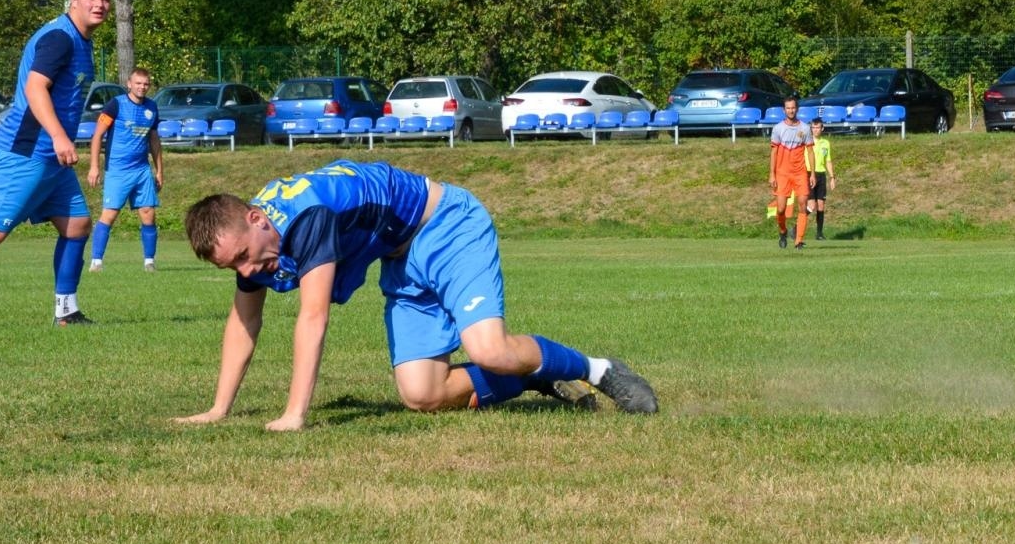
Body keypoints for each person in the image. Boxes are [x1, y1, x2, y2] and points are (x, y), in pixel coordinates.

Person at [176, 160, 658, 431]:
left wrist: (293, 415)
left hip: (446, 225)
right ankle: (530, 375)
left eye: (244, 256)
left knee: (489, 349)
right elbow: (243, 321)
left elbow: (313, 317)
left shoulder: (305, 218)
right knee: (422, 394)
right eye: (233, 266)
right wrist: (219, 409)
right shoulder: (257, 241)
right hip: (399, 259)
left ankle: (599, 369)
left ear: (256, 218)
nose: (246, 271)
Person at [0, 0, 113, 325]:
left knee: (77, 225)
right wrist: (58, 135)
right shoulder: (60, 38)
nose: (99, 5)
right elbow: (35, 87)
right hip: (27, 150)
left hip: (51, 156)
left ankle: (66, 312)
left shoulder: (81, 39)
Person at [87, 66, 164, 272]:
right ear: (129, 84)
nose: (142, 87)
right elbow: (97, 136)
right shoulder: (115, 104)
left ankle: (149, 262)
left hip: (142, 170)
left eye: (146, 84)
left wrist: (159, 171)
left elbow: (154, 141)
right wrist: (94, 167)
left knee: (148, 214)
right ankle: (96, 262)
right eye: (138, 83)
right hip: (118, 170)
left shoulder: (152, 107)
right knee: (109, 214)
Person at [768, 96, 814, 250]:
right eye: (788, 108)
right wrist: (772, 174)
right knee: (781, 209)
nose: (791, 110)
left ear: (797, 109)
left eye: (793, 108)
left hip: (800, 173)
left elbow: (810, 151)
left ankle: (798, 240)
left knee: (803, 204)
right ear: (784, 110)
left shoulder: (805, 128)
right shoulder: (778, 128)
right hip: (782, 173)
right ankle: (783, 231)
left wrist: (812, 174)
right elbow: (774, 152)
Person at [804, 116, 835, 239]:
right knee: (812, 206)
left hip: (821, 175)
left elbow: (828, 161)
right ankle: (796, 228)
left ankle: (819, 233)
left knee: (821, 205)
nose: (815, 130)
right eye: (813, 127)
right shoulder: (806, 142)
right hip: (808, 174)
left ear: (822, 128)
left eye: (818, 127)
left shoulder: (826, 143)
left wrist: (832, 177)